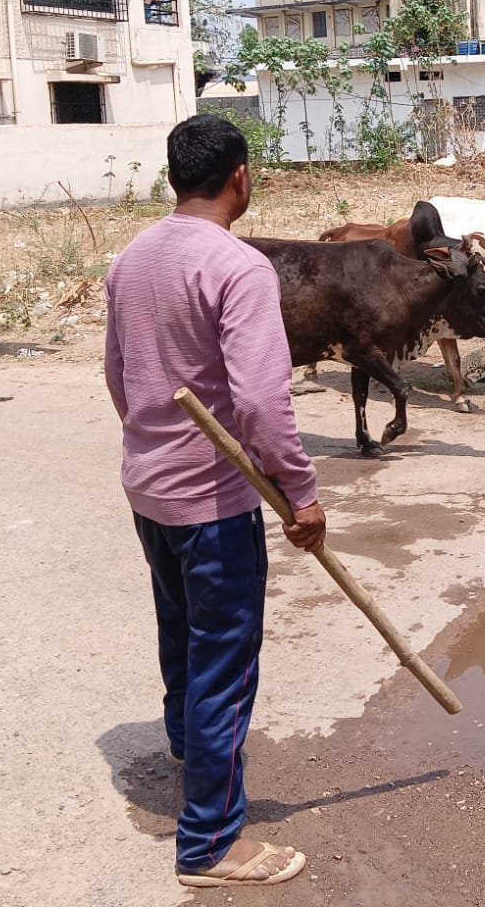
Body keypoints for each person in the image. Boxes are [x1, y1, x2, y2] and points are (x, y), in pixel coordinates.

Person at [104, 114, 326, 889]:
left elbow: (119, 375)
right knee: (224, 665)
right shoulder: (238, 266)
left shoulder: (131, 258)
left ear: (175, 177)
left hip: (150, 485)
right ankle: (208, 845)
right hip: (212, 499)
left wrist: (150, 444)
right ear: (239, 176)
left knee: (183, 633)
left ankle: (184, 745)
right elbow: (263, 403)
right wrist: (301, 495)